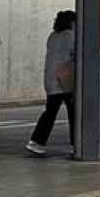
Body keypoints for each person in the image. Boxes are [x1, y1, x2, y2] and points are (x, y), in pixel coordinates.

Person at [27, 10, 75, 157]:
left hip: (51, 80)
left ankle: (36, 142)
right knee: (75, 113)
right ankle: (77, 143)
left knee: (50, 112)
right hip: (65, 81)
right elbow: (77, 53)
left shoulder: (52, 36)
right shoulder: (70, 35)